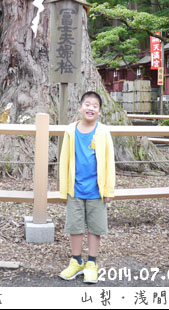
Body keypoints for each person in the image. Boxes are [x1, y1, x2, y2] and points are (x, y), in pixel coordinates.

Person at [58, 91, 115, 284]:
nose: (91, 108)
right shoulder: (70, 131)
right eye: (87, 104)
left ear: (99, 111)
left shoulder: (103, 132)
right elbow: (64, 160)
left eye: (95, 106)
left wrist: (108, 190)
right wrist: (63, 187)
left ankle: (92, 262)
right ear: (80, 107)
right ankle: (76, 260)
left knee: (95, 228)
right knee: (74, 226)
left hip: (96, 190)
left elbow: (109, 162)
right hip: (75, 188)